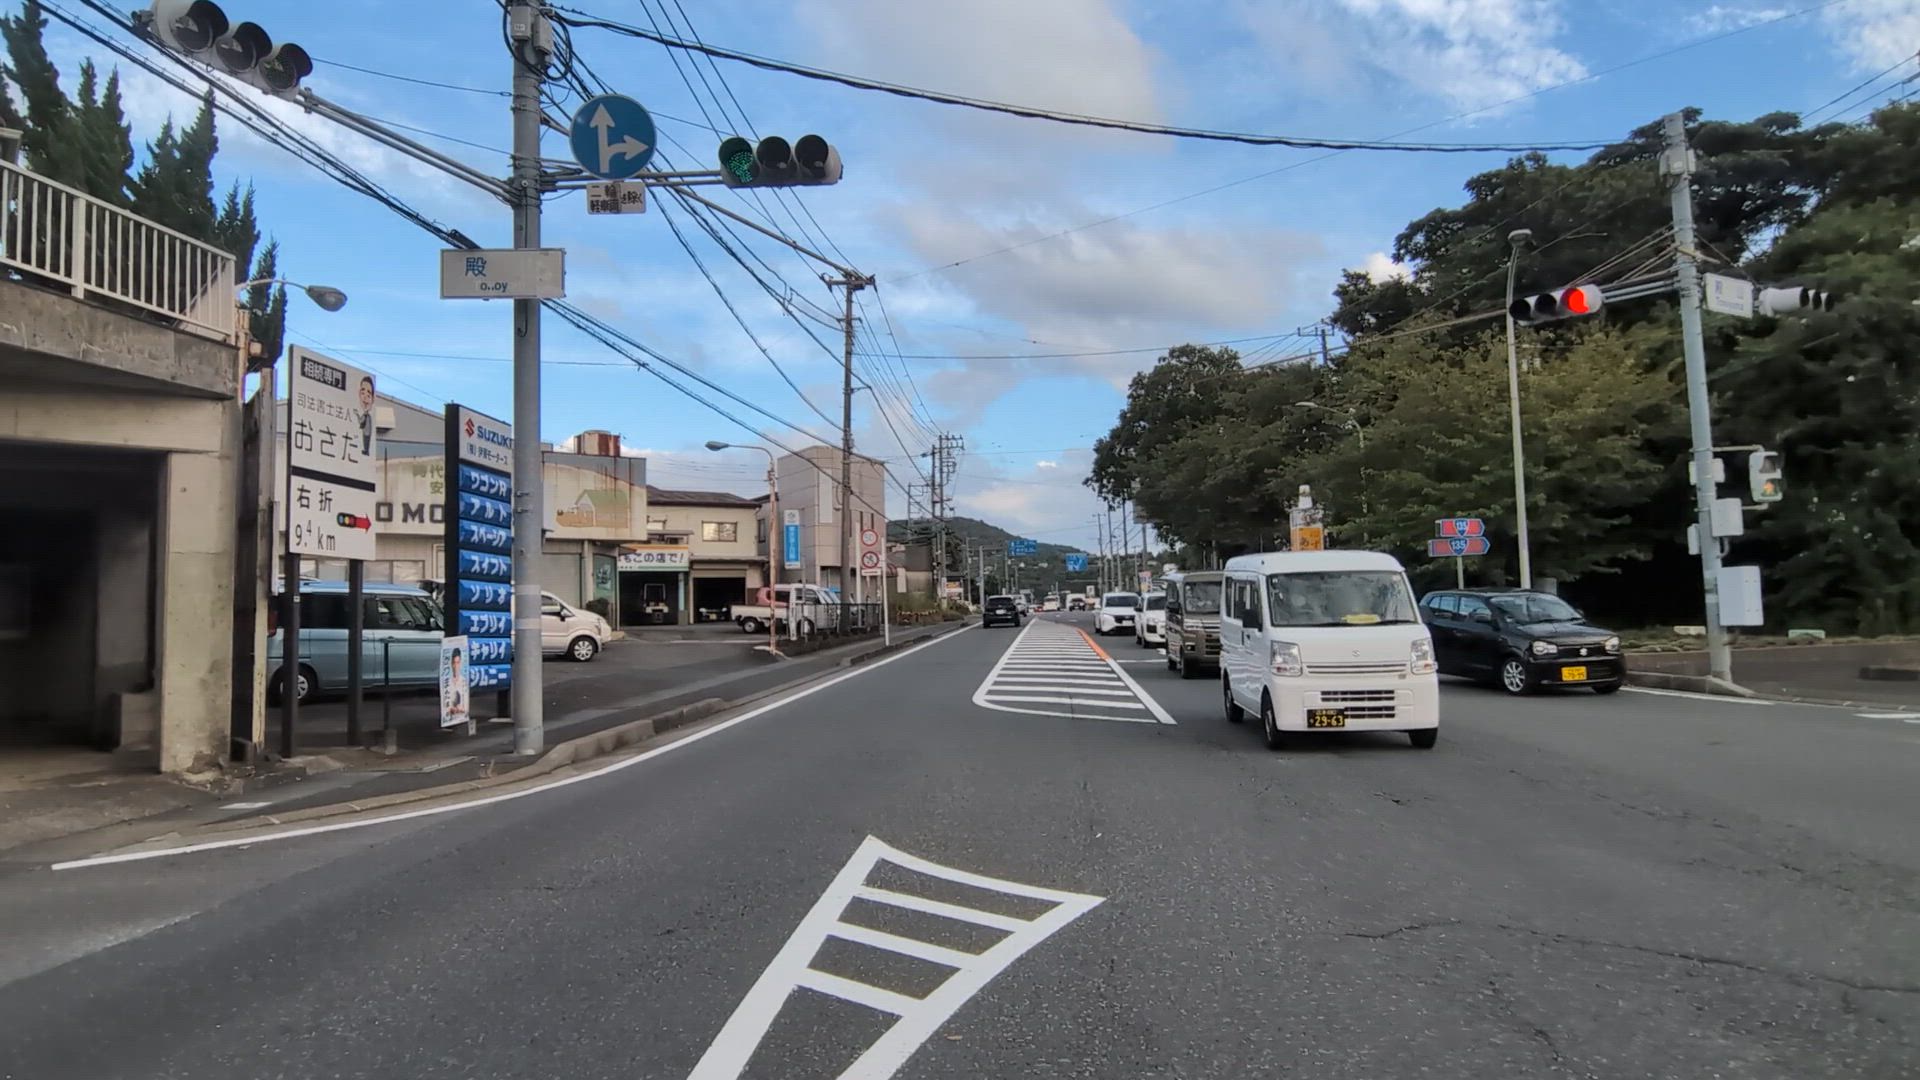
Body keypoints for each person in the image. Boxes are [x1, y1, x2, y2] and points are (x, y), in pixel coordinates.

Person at [357, 376, 376, 457]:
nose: (365, 397)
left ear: (373, 399)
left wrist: (357, 415)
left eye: (368, 395)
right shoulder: (366, 415)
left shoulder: (367, 415)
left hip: (366, 433)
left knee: (366, 442)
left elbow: (361, 421)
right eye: (363, 393)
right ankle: (366, 451)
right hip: (367, 432)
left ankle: (366, 451)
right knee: (366, 442)